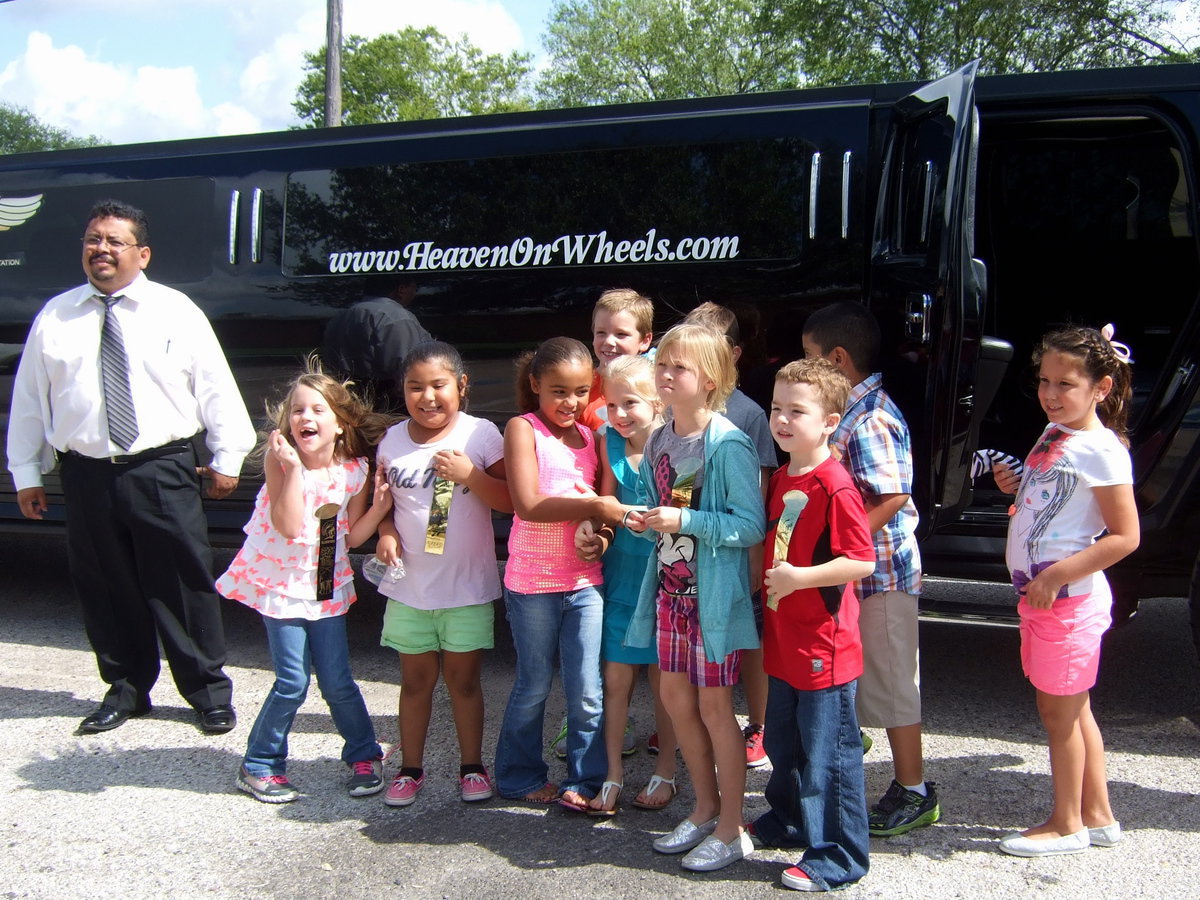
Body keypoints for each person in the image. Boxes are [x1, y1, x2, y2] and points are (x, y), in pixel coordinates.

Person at [7, 198, 255, 736]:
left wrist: (228, 455)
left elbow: (214, 386)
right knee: (105, 585)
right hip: (87, 472)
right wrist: (27, 472)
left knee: (182, 582)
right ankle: (125, 689)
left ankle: (207, 693)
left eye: (114, 241)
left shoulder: (176, 311)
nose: (100, 249)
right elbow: (30, 400)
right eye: (93, 239)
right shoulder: (56, 315)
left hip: (161, 468)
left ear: (142, 254)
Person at [623, 323, 766, 872]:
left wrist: (685, 519)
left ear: (709, 379)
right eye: (662, 364)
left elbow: (750, 526)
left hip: (712, 601)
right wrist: (641, 520)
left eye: (677, 367)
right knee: (677, 704)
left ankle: (732, 828)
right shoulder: (661, 435)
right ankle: (704, 808)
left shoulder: (727, 442)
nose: (664, 374)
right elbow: (656, 501)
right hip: (670, 595)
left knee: (714, 708)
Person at [218, 361, 393, 803]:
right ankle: (259, 764)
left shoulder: (352, 471)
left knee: (337, 680)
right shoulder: (281, 464)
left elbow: (349, 536)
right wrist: (293, 470)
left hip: (323, 584)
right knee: (292, 681)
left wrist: (377, 507)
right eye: (297, 411)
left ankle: (363, 755)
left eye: (317, 410)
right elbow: (290, 526)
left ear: (339, 424)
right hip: (282, 586)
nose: (305, 418)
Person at [993, 324, 1137, 857]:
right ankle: (1097, 816)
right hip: (1048, 600)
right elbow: (1055, 504)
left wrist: (1055, 575)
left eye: (1066, 384)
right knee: (1074, 712)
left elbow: (1126, 535)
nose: (1050, 393)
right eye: (1044, 380)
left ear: (1100, 388)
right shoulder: (1058, 434)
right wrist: (1018, 488)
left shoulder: (1098, 448)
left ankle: (1067, 823)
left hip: (1066, 601)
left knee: (1059, 716)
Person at [802, 301, 938, 836]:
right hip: (860, 575)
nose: (806, 367)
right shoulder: (852, 411)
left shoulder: (873, 418)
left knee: (894, 682)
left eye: (812, 358)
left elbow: (891, 495)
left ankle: (915, 789)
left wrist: (839, 544)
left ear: (837, 359)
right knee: (866, 678)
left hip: (881, 575)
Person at [750, 358, 875, 892]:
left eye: (796, 411)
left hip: (825, 645)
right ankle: (789, 819)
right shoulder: (782, 477)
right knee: (784, 741)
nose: (781, 420)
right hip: (784, 640)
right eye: (777, 408)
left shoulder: (835, 485)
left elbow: (861, 560)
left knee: (830, 756)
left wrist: (801, 578)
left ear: (829, 421)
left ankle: (839, 855)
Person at [373, 341, 512, 807]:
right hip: (409, 589)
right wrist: (387, 531)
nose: (428, 396)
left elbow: (511, 501)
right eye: (416, 387)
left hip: (467, 589)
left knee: (465, 683)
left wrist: (471, 473)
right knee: (413, 684)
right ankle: (410, 769)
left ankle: (472, 766)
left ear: (462, 385)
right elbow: (384, 507)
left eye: (439, 385)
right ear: (403, 391)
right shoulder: (391, 442)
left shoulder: (482, 435)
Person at [494, 337, 624, 809]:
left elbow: (605, 515)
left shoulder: (594, 439)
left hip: (585, 582)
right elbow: (527, 504)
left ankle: (584, 781)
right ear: (535, 385)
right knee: (533, 685)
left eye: (580, 391)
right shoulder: (522, 429)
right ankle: (518, 776)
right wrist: (593, 504)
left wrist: (602, 536)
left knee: (587, 691)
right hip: (533, 585)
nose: (570, 403)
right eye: (557, 391)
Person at [573, 355, 679, 815]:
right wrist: (594, 532)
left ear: (657, 402)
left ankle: (667, 771)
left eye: (629, 403)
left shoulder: (676, 446)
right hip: (620, 580)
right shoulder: (607, 444)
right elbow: (604, 503)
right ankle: (612, 774)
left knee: (666, 686)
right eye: (612, 404)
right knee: (614, 680)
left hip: (666, 581)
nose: (618, 414)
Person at [683, 301, 777, 767]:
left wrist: (757, 556)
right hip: (689, 554)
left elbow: (758, 491)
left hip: (736, 548)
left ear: (733, 355)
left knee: (749, 638)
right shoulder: (675, 409)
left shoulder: (747, 414)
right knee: (697, 641)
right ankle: (698, 721)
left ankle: (758, 724)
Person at [321, 279, 432, 413]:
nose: (414, 294)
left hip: (347, 407)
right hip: (387, 412)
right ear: (402, 289)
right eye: (415, 288)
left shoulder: (340, 317)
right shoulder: (397, 318)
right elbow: (409, 373)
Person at [579, 288, 654, 431]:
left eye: (621, 334)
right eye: (601, 333)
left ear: (645, 340)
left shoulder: (655, 387)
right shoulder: (581, 389)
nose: (609, 341)